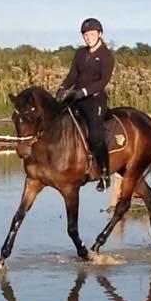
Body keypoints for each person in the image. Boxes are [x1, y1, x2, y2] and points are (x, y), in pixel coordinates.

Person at [56, 18, 115, 191]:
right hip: (76, 96)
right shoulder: (80, 53)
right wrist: (63, 88)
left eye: (91, 34)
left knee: (96, 136)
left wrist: (84, 91)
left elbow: (103, 81)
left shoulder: (106, 55)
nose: (88, 38)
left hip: (95, 98)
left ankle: (104, 174)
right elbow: (72, 75)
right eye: (85, 35)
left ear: (100, 34)